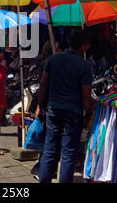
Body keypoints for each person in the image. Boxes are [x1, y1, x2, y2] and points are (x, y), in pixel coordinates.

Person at [37, 29, 93, 183]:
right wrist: (88, 113)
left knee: (49, 150)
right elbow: (86, 95)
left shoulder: (54, 59)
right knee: (68, 155)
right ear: (83, 46)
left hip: (53, 110)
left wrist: (41, 105)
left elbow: (43, 84)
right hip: (73, 113)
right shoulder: (84, 65)